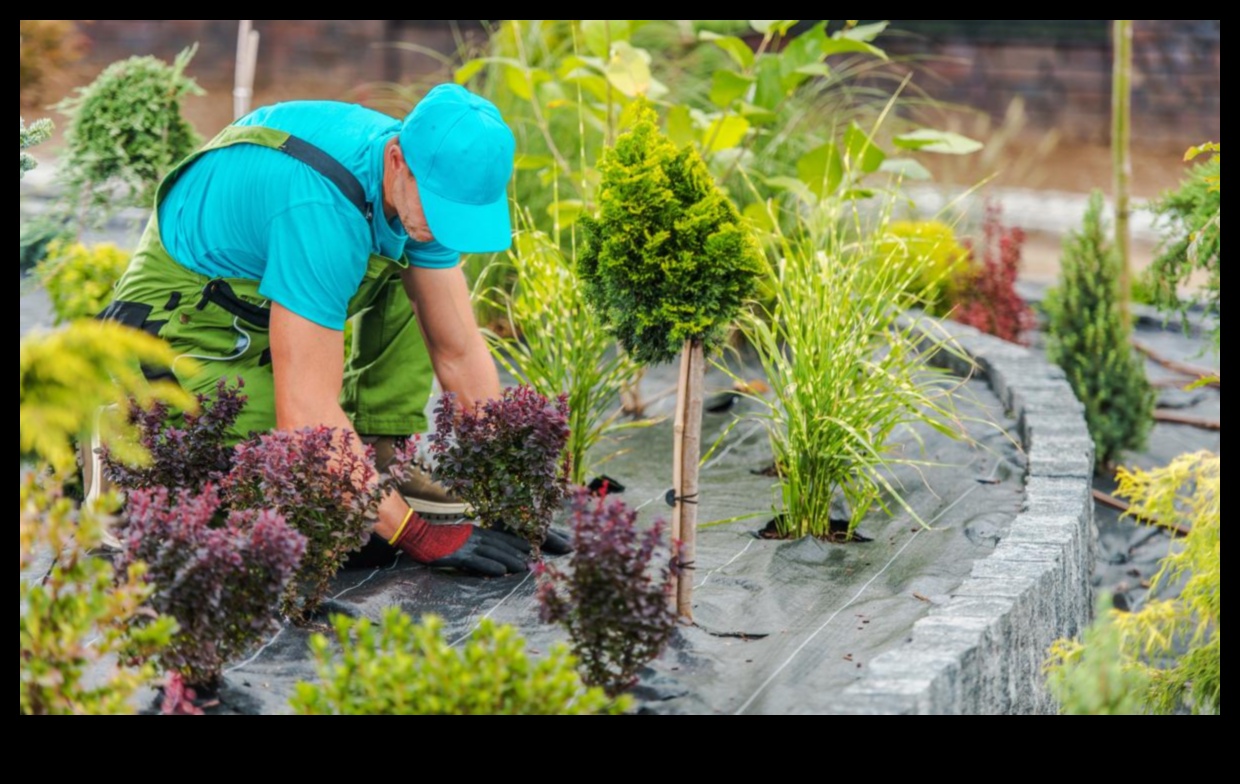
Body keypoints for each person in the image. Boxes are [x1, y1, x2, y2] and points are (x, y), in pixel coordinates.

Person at [100, 83, 545, 576]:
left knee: (419, 278)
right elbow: (306, 414)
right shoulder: (320, 207)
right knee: (311, 522)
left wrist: (513, 500)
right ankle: (113, 431)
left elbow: (458, 350)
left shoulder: (420, 191)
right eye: (440, 211)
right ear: (397, 159)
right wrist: (414, 533)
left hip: (260, 307)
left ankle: (384, 454)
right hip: (176, 325)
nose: (445, 229)